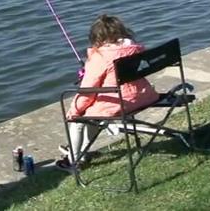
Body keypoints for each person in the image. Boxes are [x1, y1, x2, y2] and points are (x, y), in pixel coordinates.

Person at [56, 14, 160, 172]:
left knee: (77, 119)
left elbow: (87, 92)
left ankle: (73, 161)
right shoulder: (134, 49)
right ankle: (82, 152)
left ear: (97, 37)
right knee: (93, 114)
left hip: (120, 104)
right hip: (145, 96)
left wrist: (74, 111)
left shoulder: (100, 57)